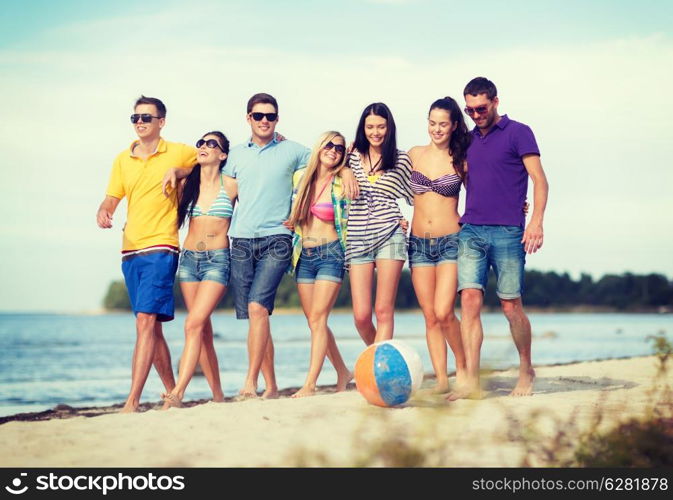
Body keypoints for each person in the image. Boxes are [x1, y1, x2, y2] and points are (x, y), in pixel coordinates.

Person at [162, 93, 358, 399]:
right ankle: (273, 385)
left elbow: (327, 158)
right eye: (258, 115)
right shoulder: (236, 155)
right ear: (248, 118)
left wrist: (345, 170)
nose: (264, 120)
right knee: (258, 315)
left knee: (257, 308)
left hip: (277, 239)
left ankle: (250, 384)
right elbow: (209, 176)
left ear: (277, 119)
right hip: (240, 242)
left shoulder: (293, 150)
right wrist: (179, 171)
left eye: (270, 116)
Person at [450, 77, 549, 400]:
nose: (476, 114)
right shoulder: (466, 139)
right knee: (469, 301)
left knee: (510, 305)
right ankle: (470, 381)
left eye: (481, 108)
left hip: (508, 231)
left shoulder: (519, 132)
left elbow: (540, 181)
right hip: (472, 231)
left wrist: (535, 221)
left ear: (495, 101)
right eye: (470, 110)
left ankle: (526, 369)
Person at [96, 96, 196, 412]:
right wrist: (104, 209)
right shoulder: (122, 159)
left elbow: (215, 159)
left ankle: (132, 400)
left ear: (161, 122)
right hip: (130, 249)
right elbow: (113, 196)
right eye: (135, 117)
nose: (140, 122)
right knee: (150, 326)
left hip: (161, 246)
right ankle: (172, 393)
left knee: (144, 321)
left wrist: (179, 172)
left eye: (147, 117)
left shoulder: (179, 151)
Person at [160, 131, 236, 409]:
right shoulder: (186, 186)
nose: (203, 147)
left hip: (218, 260)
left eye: (211, 144)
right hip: (189, 261)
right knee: (202, 330)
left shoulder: (232, 185)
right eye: (200, 143)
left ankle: (178, 391)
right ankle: (218, 396)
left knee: (192, 324)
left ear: (223, 154)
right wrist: (176, 169)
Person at [407, 97, 469, 394]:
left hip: (451, 242)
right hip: (418, 244)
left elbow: (485, 190)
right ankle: (442, 380)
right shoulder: (414, 155)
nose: (437, 129)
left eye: (443, 123)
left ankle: (465, 369)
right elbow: (379, 173)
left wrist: (515, 205)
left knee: (445, 311)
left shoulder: (462, 158)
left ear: (454, 125)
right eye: (432, 123)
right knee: (430, 315)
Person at [285, 131, 353, 398]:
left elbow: (363, 206)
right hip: (303, 255)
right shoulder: (300, 178)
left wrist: (346, 169)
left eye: (339, 148)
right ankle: (342, 371)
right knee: (314, 322)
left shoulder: (342, 181)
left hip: (331, 253)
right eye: (329, 145)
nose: (334, 150)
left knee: (318, 318)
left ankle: (310, 384)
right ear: (319, 146)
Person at [346, 102, 413, 345]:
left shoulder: (402, 159)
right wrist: (344, 171)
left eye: (381, 126)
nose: (375, 132)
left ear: (389, 127)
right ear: (362, 128)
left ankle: (379, 372)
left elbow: (417, 195)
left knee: (383, 310)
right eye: (370, 126)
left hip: (391, 235)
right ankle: (385, 358)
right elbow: (317, 162)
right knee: (361, 316)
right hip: (357, 238)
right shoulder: (349, 157)